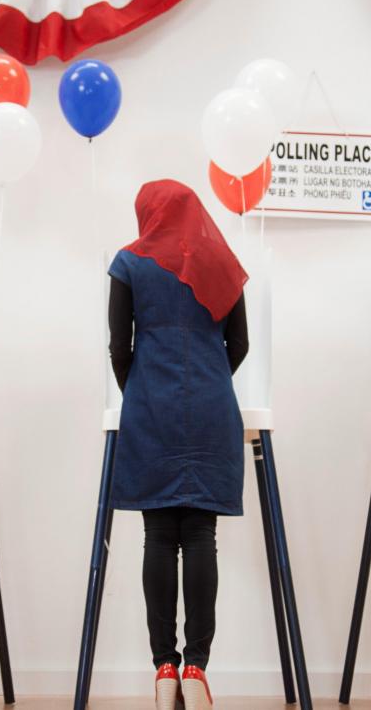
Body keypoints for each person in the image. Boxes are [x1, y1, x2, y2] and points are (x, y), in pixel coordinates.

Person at [107, 179, 249, 710]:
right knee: (202, 536)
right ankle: (197, 666)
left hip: (151, 405)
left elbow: (119, 347)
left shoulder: (128, 263)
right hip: (212, 406)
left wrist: (143, 390)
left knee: (158, 536)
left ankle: (163, 665)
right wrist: (210, 376)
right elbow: (242, 343)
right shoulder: (222, 261)